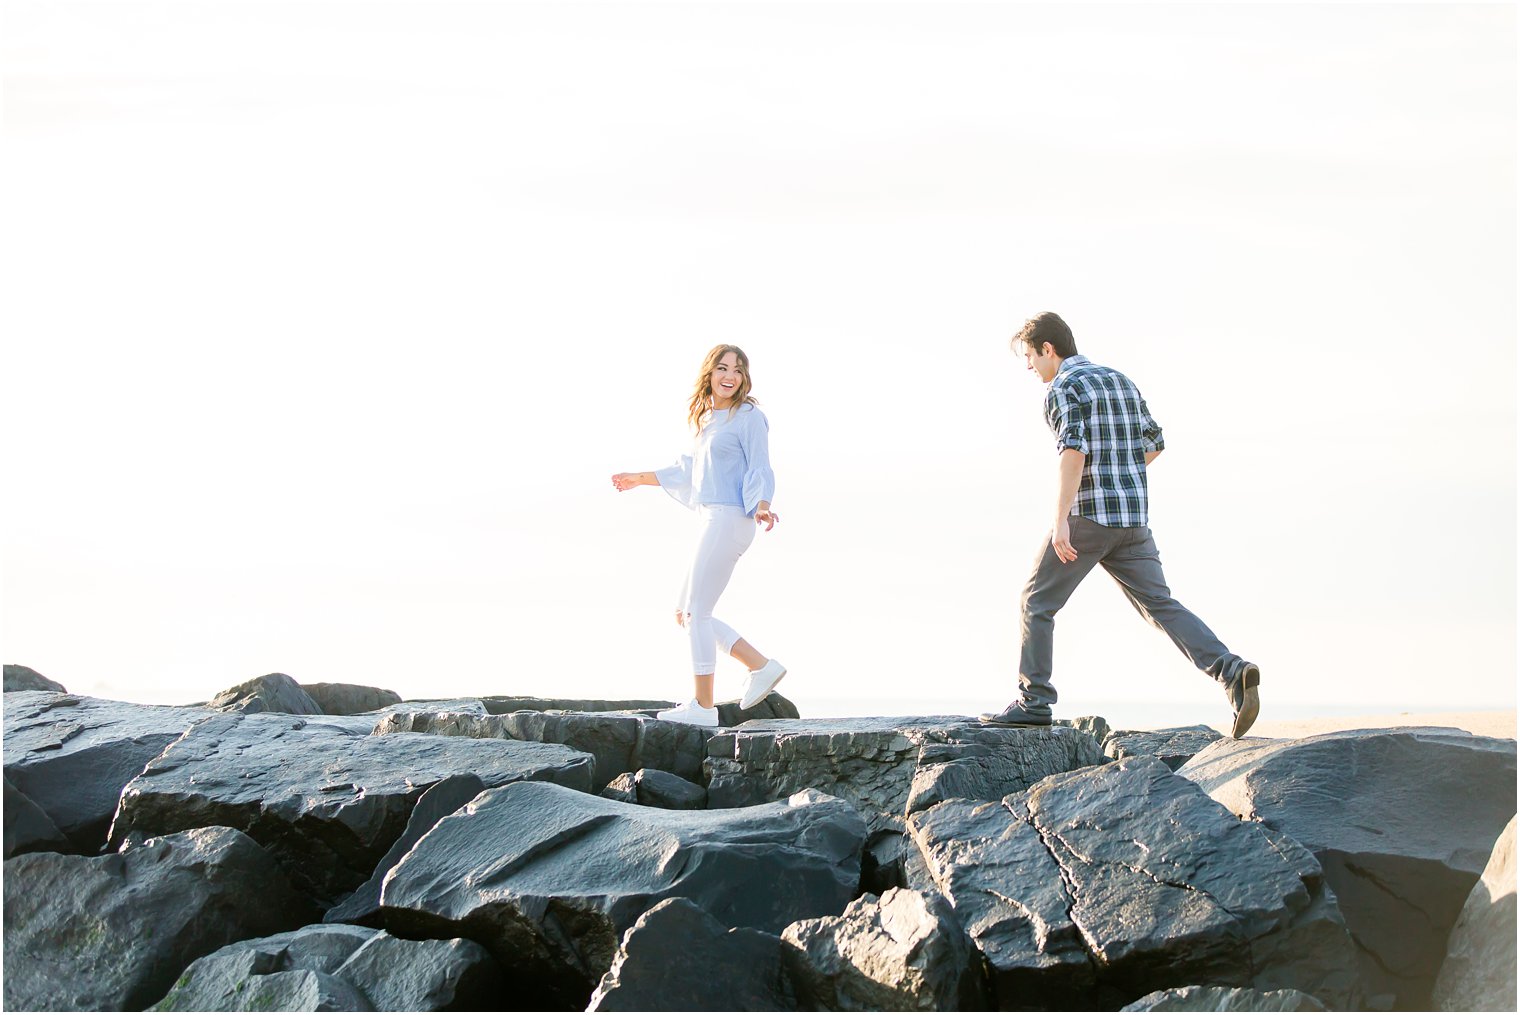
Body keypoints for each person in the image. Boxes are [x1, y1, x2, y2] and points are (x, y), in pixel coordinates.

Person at [981, 312, 1261, 738]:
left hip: (1089, 518)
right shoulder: (1121, 380)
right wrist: (1119, 471)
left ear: (1048, 349)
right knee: (1162, 606)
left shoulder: (1063, 387)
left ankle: (1034, 701)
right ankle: (1231, 671)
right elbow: (1154, 444)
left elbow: (1072, 451)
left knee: (1036, 602)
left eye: (1030, 357)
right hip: (1133, 520)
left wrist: (1061, 521)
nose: (1029, 367)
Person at [611, 344, 787, 726]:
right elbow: (689, 470)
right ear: (709, 373)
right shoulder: (707, 419)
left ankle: (704, 708)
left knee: (697, 613)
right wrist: (639, 478)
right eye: (723, 368)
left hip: (731, 518)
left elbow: (760, 466)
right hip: (713, 518)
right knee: (686, 614)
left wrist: (762, 503)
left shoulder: (749, 416)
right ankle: (760, 666)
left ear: (745, 377)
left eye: (738, 370)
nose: (730, 376)